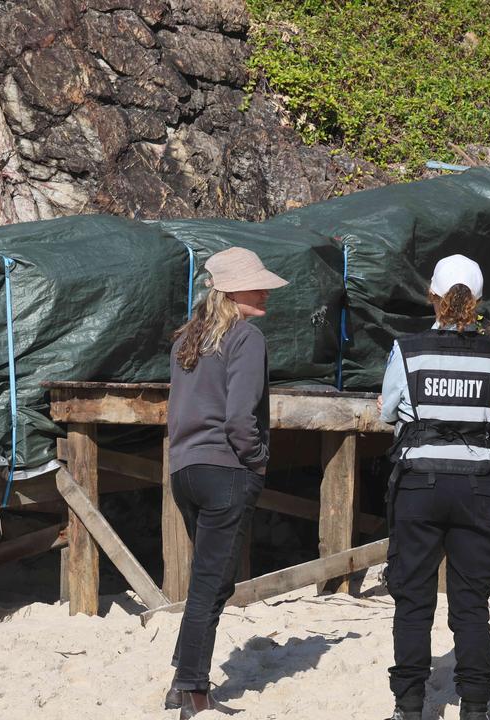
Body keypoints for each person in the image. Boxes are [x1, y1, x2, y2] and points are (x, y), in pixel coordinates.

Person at [378, 254, 490, 720]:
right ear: (478, 302)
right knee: (471, 602)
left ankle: (410, 707)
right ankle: (474, 705)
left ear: (432, 295)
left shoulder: (407, 349)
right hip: (477, 487)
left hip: (419, 483)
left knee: (413, 599)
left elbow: (388, 410)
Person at [164, 246, 288, 718]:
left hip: (185, 469)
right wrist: (257, 461)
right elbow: (239, 418)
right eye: (258, 284)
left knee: (208, 581)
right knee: (211, 583)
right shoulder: (247, 337)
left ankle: (182, 675)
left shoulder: (185, 341)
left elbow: (178, 411)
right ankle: (193, 689)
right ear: (235, 291)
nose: (266, 292)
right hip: (226, 470)